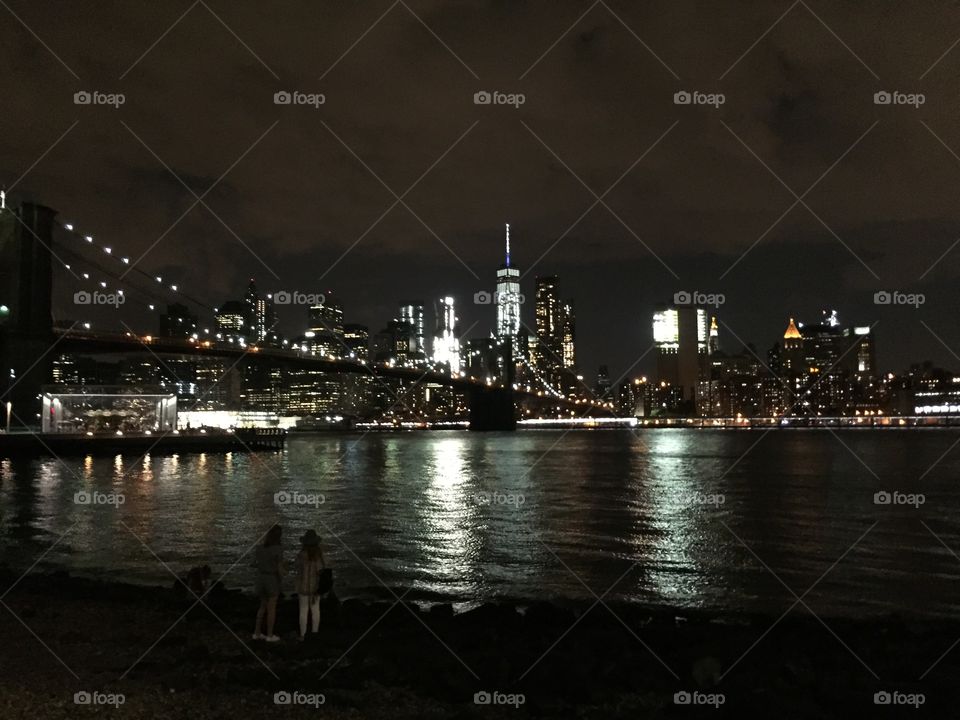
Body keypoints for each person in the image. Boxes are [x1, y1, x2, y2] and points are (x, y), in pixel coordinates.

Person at [252, 524, 284, 642]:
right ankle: (270, 635)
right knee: (271, 609)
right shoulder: (278, 549)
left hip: (260, 579)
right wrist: (283, 578)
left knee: (262, 606)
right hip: (271, 579)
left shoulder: (259, 548)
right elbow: (280, 569)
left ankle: (257, 633)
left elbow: (254, 563)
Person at [295, 529, 326, 641]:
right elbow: (321, 571)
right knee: (315, 610)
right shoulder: (318, 556)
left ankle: (303, 635)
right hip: (315, 587)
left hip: (302, 587)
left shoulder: (301, 555)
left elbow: (297, 568)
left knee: (303, 611)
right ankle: (314, 633)